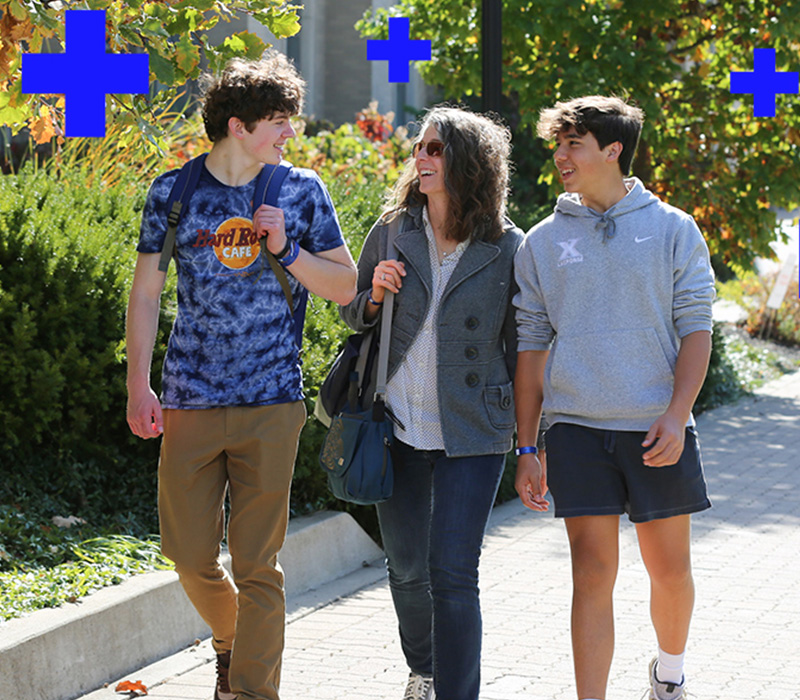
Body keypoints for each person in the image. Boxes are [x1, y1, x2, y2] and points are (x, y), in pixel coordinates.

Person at [125, 51, 356, 700]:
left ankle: (247, 689)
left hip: (271, 403)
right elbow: (146, 295)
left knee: (258, 565)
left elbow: (344, 286)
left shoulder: (301, 191)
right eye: (280, 121)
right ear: (238, 125)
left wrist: (287, 248)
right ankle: (233, 642)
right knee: (188, 556)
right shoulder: (173, 193)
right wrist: (137, 385)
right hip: (191, 401)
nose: (291, 134)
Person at [513, 95, 715, 700]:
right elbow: (529, 351)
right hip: (577, 427)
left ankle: (669, 675)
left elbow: (696, 328)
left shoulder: (673, 229)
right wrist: (527, 445)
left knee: (671, 572)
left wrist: (678, 415)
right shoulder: (542, 243)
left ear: (613, 149)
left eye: (573, 143)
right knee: (591, 573)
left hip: (656, 424)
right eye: (558, 144)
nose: (559, 155)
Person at [340, 105, 523, 700]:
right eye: (420, 147)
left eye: (436, 149)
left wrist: (532, 442)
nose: (422, 157)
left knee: (452, 574)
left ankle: (455, 694)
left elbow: (523, 348)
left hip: (472, 429)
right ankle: (425, 668)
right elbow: (350, 311)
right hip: (397, 425)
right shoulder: (393, 229)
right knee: (407, 569)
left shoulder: (507, 245)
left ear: (469, 161)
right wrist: (372, 294)